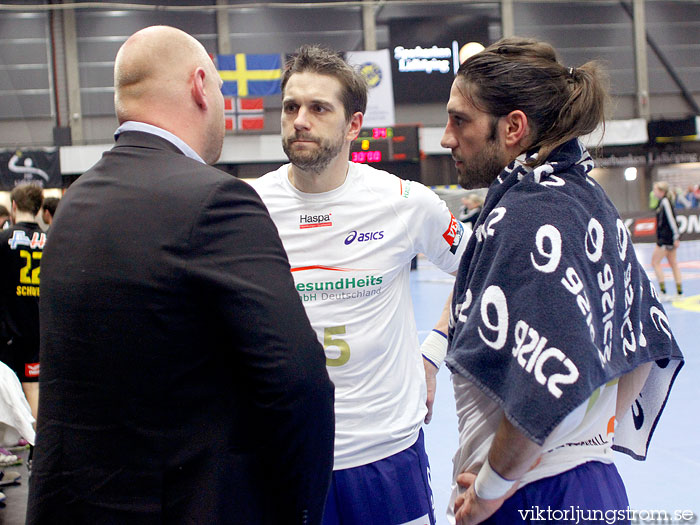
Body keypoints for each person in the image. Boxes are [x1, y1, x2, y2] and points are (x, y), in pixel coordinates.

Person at [27, 26, 334, 524]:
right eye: (219, 88)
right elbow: (299, 384)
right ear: (199, 86)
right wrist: (296, 511)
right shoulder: (217, 199)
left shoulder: (76, 202)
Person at [440, 37, 684, 525]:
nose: (446, 137)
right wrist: (588, 436)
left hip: (531, 495)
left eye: (459, 120)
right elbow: (642, 342)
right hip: (593, 482)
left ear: (513, 127)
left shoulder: (526, 218)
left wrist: (492, 488)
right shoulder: (585, 199)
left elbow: (547, 388)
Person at [250, 45, 467, 525]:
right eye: (291, 107)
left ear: (353, 126)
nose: (300, 120)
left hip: (386, 455)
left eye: (318, 108)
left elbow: (481, 267)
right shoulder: (246, 207)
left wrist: (433, 349)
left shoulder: (405, 202)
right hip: (288, 457)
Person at [0, 183, 45, 423]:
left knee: (2, 391)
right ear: (38, 210)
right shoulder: (51, 239)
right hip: (37, 327)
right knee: (33, 389)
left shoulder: (4, 239)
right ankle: (36, 452)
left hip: (6, 329)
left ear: (14, 207)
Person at [651, 181, 683, 300]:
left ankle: (663, 292)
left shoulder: (665, 202)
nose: (654, 192)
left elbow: (672, 220)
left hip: (666, 240)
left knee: (655, 262)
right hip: (667, 238)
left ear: (661, 191)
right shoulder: (661, 202)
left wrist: (676, 237)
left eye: (655, 190)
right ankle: (679, 293)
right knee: (673, 264)